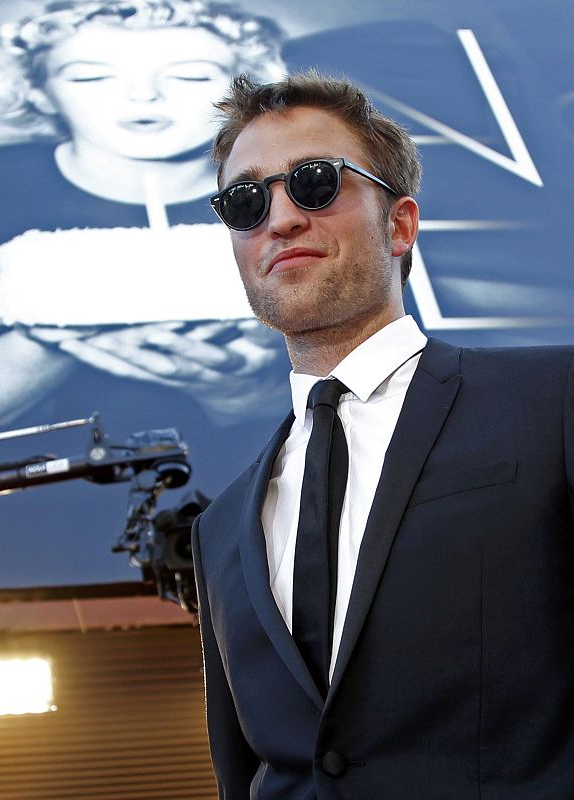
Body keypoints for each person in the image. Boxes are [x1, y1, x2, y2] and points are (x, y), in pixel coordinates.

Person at [191, 70, 574, 800]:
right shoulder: (220, 528)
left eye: (314, 183)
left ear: (399, 225)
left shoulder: (553, 400)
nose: (280, 219)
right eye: (246, 202)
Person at [0, 0, 289, 427]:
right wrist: (45, 339)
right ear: (38, 91)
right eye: (90, 76)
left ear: (249, 89)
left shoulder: (307, 196)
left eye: (191, 75)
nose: (142, 95)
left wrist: (247, 395)